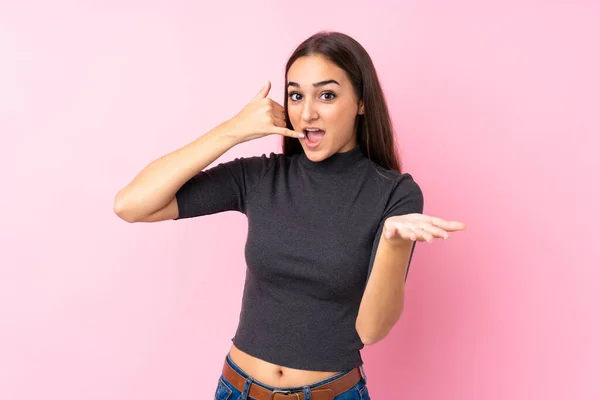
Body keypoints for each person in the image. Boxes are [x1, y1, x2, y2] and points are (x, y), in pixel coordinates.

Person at [114, 31, 466, 400]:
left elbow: (371, 331)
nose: (307, 112)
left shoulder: (394, 194)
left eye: (326, 95)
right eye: (296, 95)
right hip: (238, 389)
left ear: (361, 102)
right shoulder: (262, 176)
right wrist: (232, 131)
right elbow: (132, 205)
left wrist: (394, 245)